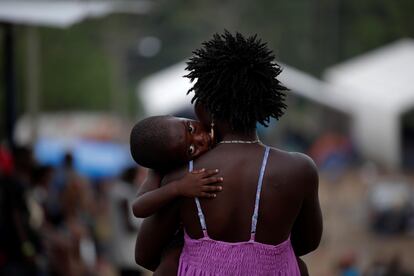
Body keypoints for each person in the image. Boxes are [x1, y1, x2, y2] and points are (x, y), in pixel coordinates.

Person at [136, 31, 322, 275]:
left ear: (201, 110)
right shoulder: (300, 169)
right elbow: (308, 243)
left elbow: (144, 255)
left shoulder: (184, 176)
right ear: (266, 105)